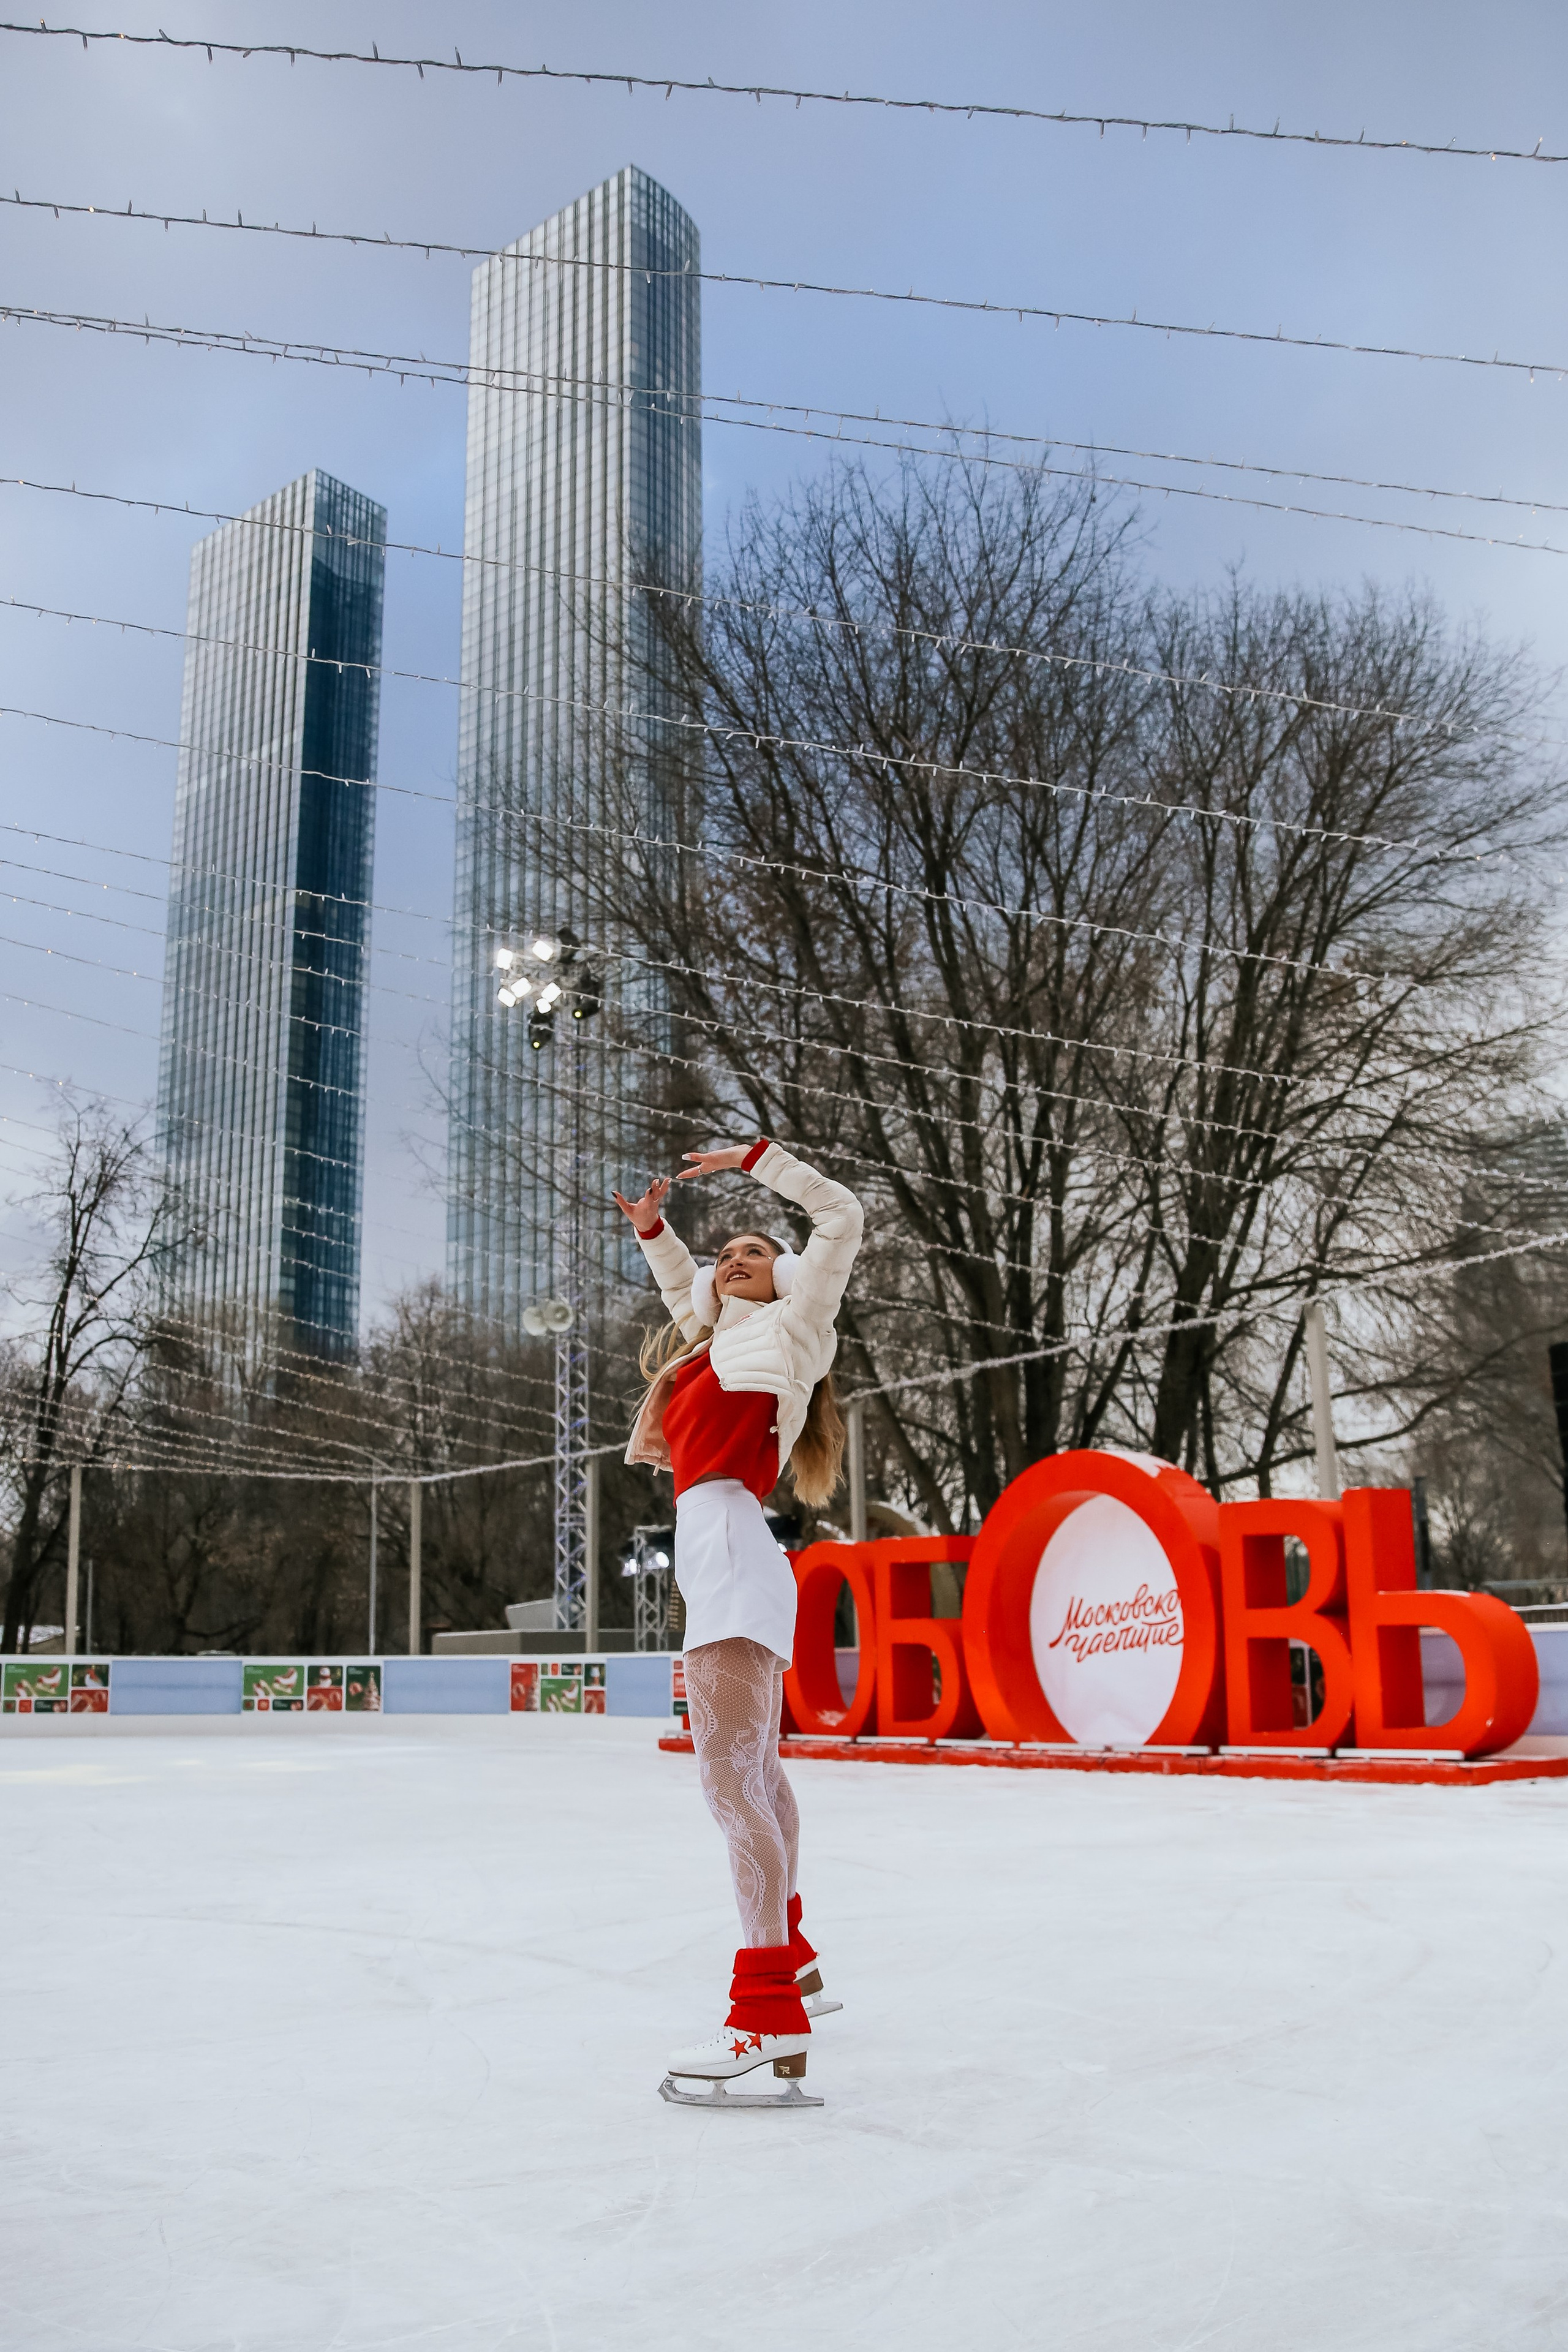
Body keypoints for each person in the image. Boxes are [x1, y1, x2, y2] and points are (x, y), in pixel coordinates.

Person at [613, 1137, 862, 2105]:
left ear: (787, 1279)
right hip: (729, 1550)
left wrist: (754, 1161)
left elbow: (839, 1215)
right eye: (727, 1255)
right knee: (755, 1771)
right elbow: (686, 1291)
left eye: (755, 1252)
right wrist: (653, 1230)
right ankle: (791, 1965)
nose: (734, 1259)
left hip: (727, 1547)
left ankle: (765, 2020)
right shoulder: (712, 1340)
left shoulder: (796, 1327)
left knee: (727, 1779)